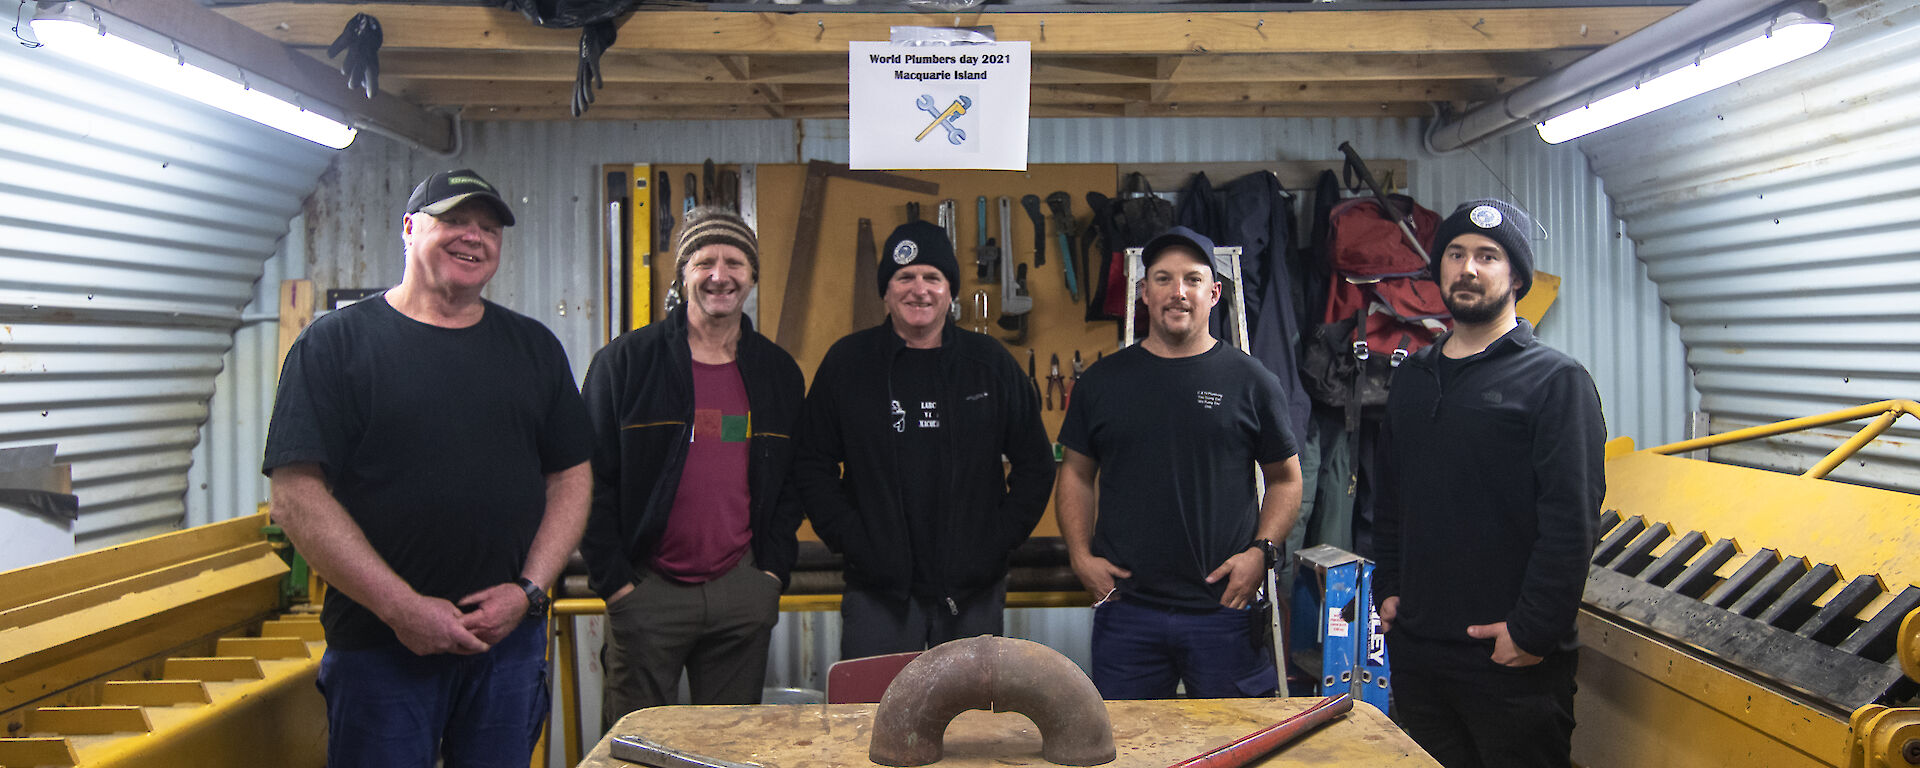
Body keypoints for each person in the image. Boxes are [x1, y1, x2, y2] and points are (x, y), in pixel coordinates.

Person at [262, 169, 592, 768]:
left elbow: (571, 476)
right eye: (455, 221)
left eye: (488, 228)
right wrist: (402, 609)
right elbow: (295, 497)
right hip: (380, 650)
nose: (474, 237)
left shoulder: (533, 349)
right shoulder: (335, 345)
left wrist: (528, 591)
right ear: (410, 229)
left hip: (506, 645)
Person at [1373, 199, 1606, 768]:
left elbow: (1571, 522)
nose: (1468, 269)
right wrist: (1390, 591)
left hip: (1509, 662)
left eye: (1487, 256)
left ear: (1517, 277)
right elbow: (1392, 499)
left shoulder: (1556, 382)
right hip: (1421, 653)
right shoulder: (1414, 378)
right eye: (1455, 254)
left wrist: (1532, 632)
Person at [1056, 225, 1305, 699]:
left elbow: (1286, 480)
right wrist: (1080, 557)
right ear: (1143, 292)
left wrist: (1260, 553)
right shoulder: (1103, 382)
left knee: (1234, 747)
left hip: (1224, 610)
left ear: (1214, 293)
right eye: (1164, 279)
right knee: (1128, 750)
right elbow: (1076, 473)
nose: (1178, 292)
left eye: (1192, 279)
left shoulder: (1252, 381)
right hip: (1127, 610)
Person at [578, 207, 805, 721]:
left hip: (741, 590)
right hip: (648, 592)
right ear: (683, 275)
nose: (719, 276)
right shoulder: (624, 364)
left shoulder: (777, 372)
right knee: (638, 750)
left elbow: (791, 481)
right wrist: (616, 584)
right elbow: (586, 481)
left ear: (751, 277)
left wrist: (769, 573)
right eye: (704, 262)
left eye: (734, 262)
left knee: (728, 746)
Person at [793, 219, 1054, 660]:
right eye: (905, 278)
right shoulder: (848, 365)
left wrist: (996, 540)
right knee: (871, 720)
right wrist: (852, 537)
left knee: (970, 724)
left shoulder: (989, 364)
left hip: (972, 593)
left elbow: (1035, 464)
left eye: (932, 277)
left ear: (950, 290)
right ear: (886, 291)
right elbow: (811, 462)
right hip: (878, 593)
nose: (920, 290)